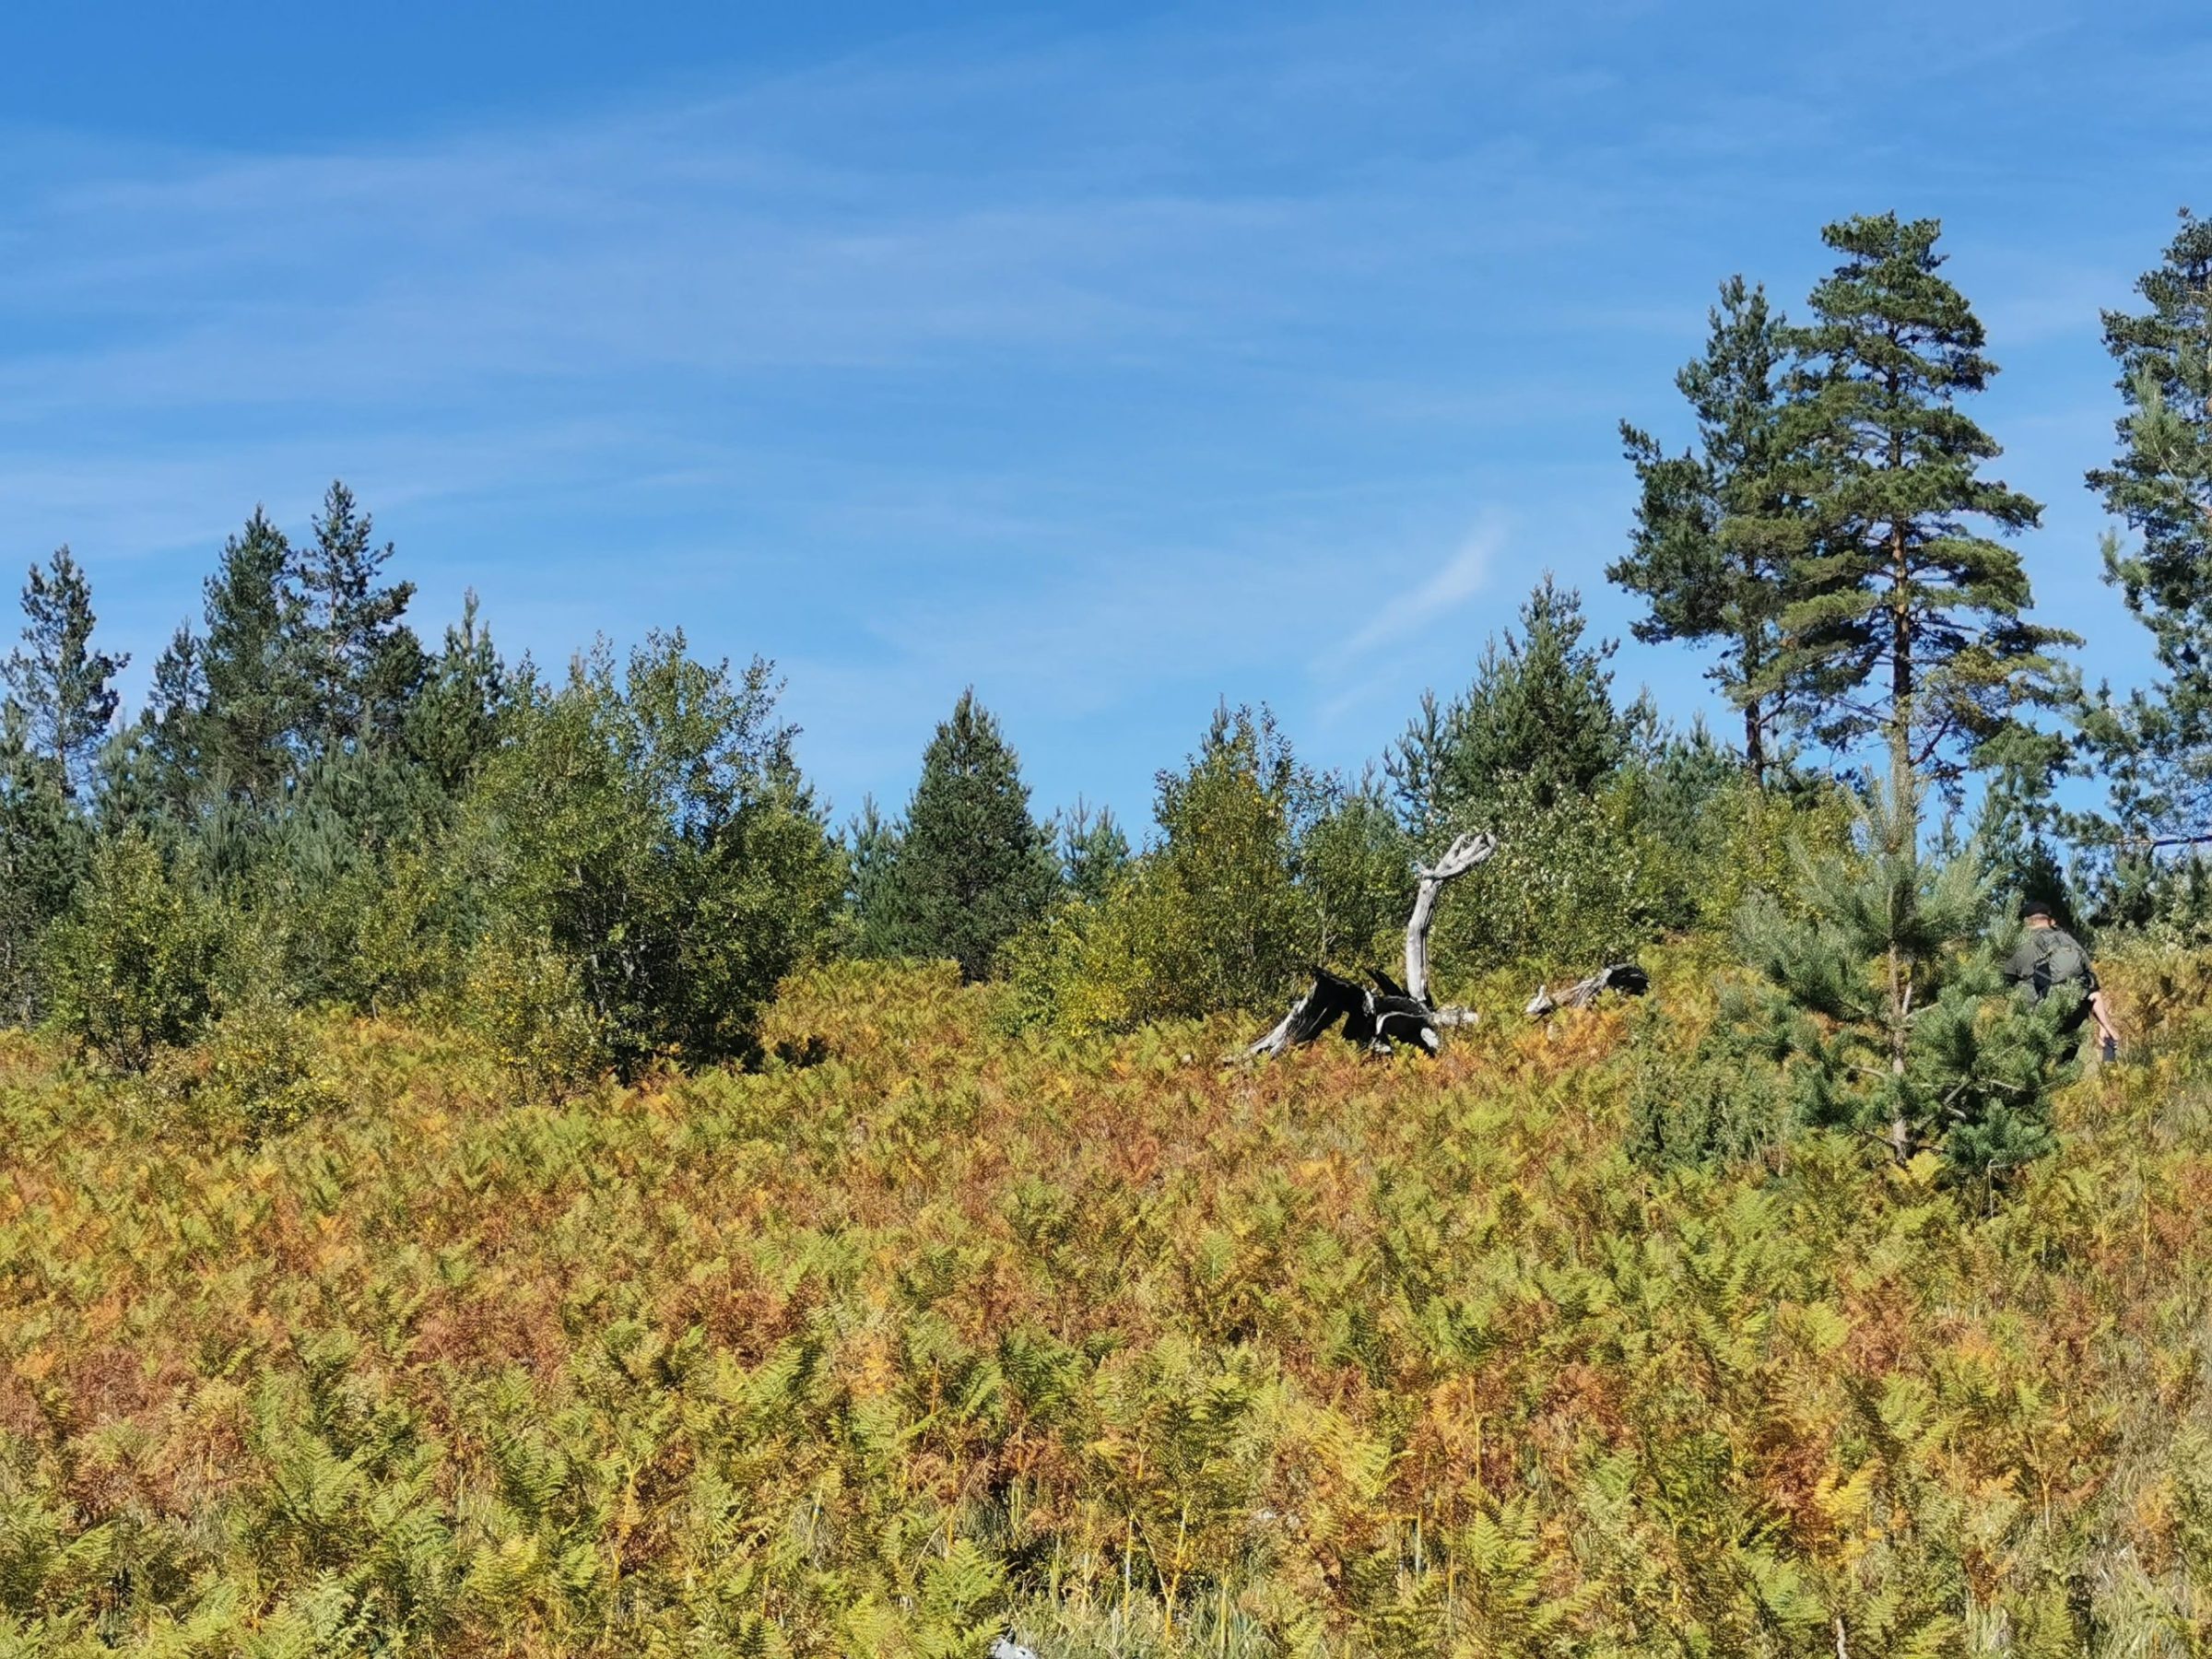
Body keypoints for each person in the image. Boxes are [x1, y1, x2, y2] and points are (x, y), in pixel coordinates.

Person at [2003, 900, 2119, 1062]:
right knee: (2064, 1067)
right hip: (2072, 1015)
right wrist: (2104, 1026)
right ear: (2051, 921)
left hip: (2036, 1017)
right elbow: (2093, 990)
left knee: (2031, 1065)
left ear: (2026, 922)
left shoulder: (2019, 945)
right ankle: (2065, 1078)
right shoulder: (2070, 941)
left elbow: (2002, 986)